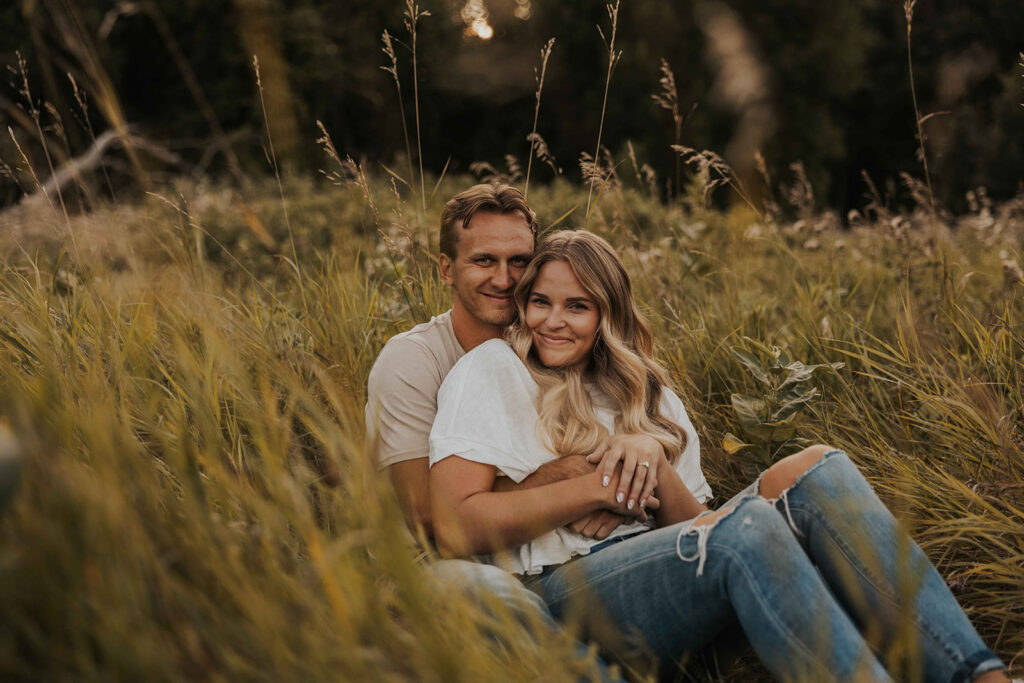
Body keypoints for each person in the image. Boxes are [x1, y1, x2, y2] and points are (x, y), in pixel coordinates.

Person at [428, 229, 1009, 682]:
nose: (552, 321)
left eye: (576, 306)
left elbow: (696, 531)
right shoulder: (493, 371)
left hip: (663, 572)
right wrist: (597, 486)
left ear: (608, 314)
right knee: (746, 527)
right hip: (565, 587)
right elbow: (456, 525)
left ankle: (979, 675)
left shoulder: (651, 396)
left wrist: (650, 464)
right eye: (540, 302)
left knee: (820, 467)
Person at [365, 184, 651, 681]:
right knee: (492, 595)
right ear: (446, 270)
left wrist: (642, 451)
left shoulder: (553, 343)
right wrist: (579, 480)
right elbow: (432, 523)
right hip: (436, 571)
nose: (503, 279)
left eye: (519, 260)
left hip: (547, 556)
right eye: (483, 261)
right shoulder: (413, 361)